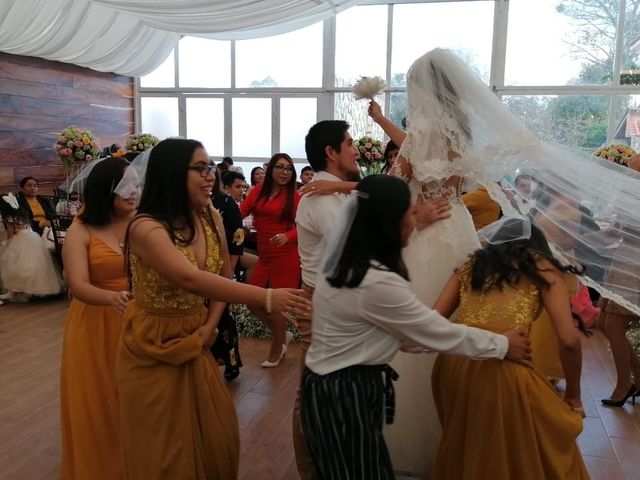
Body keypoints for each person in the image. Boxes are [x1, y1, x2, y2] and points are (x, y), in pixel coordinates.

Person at [300, 175, 533, 480]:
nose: (416, 221)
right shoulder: (376, 281)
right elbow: (435, 332)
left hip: (333, 386)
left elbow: (409, 337)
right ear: (391, 222)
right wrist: (502, 345)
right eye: (410, 214)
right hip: (345, 393)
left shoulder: (349, 262)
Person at [115, 139, 311, 479]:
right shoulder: (145, 227)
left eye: (211, 169)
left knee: (216, 440)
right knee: (165, 451)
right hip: (152, 341)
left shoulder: (210, 216)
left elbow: (223, 274)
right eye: (201, 169)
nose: (212, 177)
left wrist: (210, 324)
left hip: (196, 337)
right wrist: (265, 297)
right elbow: (189, 278)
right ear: (172, 174)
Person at [431, 217, 589, 479]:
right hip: (504, 366)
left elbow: (433, 320)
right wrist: (574, 395)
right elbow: (569, 341)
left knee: (469, 442)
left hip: (454, 364)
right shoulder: (543, 269)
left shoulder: (470, 266)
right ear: (538, 245)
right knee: (533, 444)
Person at [59, 156, 136, 480]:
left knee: (136, 400)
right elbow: (77, 285)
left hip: (138, 320)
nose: (134, 192)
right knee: (101, 401)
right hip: (96, 323)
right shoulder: (81, 229)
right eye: (125, 186)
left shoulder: (142, 222)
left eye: (137, 184)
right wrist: (111, 297)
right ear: (106, 190)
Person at [293, 120, 360, 479]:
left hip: (334, 300)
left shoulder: (338, 192)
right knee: (314, 395)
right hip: (322, 303)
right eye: (349, 143)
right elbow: (351, 251)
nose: (356, 150)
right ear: (331, 153)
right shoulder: (322, 198)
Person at [240, 153, 301, 367]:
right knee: (252, 301)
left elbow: (302, 225)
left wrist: (288, 236)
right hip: (264, 256)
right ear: (271, 169)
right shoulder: (257, 191)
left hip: (286, 256)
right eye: (280, 167)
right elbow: (241, 211)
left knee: (278, 307)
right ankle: (282, 335)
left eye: (288, 169)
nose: (285, 172)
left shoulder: (294, 196)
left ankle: (277, 346)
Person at [210, 168, 244, 381]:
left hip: (221, 266)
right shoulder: (188, 202)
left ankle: (230, 361)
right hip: (199, 268)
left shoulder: (225, 202)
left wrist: (230, 269)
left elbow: (238, 235)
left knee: (223, 317)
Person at [0, 192, 64, 303]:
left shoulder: (8, 216)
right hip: (33, 237)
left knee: (13, 266)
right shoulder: (21, 212)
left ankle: (15, 291)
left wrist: (5, 243)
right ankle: (23, 292)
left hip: (20, 238)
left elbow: (11, 232)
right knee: (32, 266)